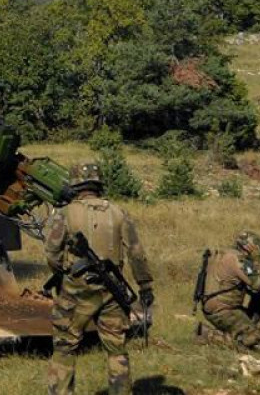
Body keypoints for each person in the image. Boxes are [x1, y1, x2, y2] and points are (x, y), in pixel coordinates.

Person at [45, 163, 154, 395]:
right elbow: (136, 252)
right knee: (116, 348)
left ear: (75, 185)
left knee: (65, 347)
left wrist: (62, 275)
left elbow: (52, 252)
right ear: (98, 184)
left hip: (75, 290)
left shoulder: (65, 213)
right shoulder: (118, 212)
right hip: (112, 290)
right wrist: (145, 285)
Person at [199, 230, 260, 352]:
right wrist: (257, 259)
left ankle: (247, 331)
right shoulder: (239, 260)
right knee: (259, 344)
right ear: (250, 248)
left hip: (215, 307)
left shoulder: (225, 254)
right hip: (223, 311)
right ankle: (207, 335)